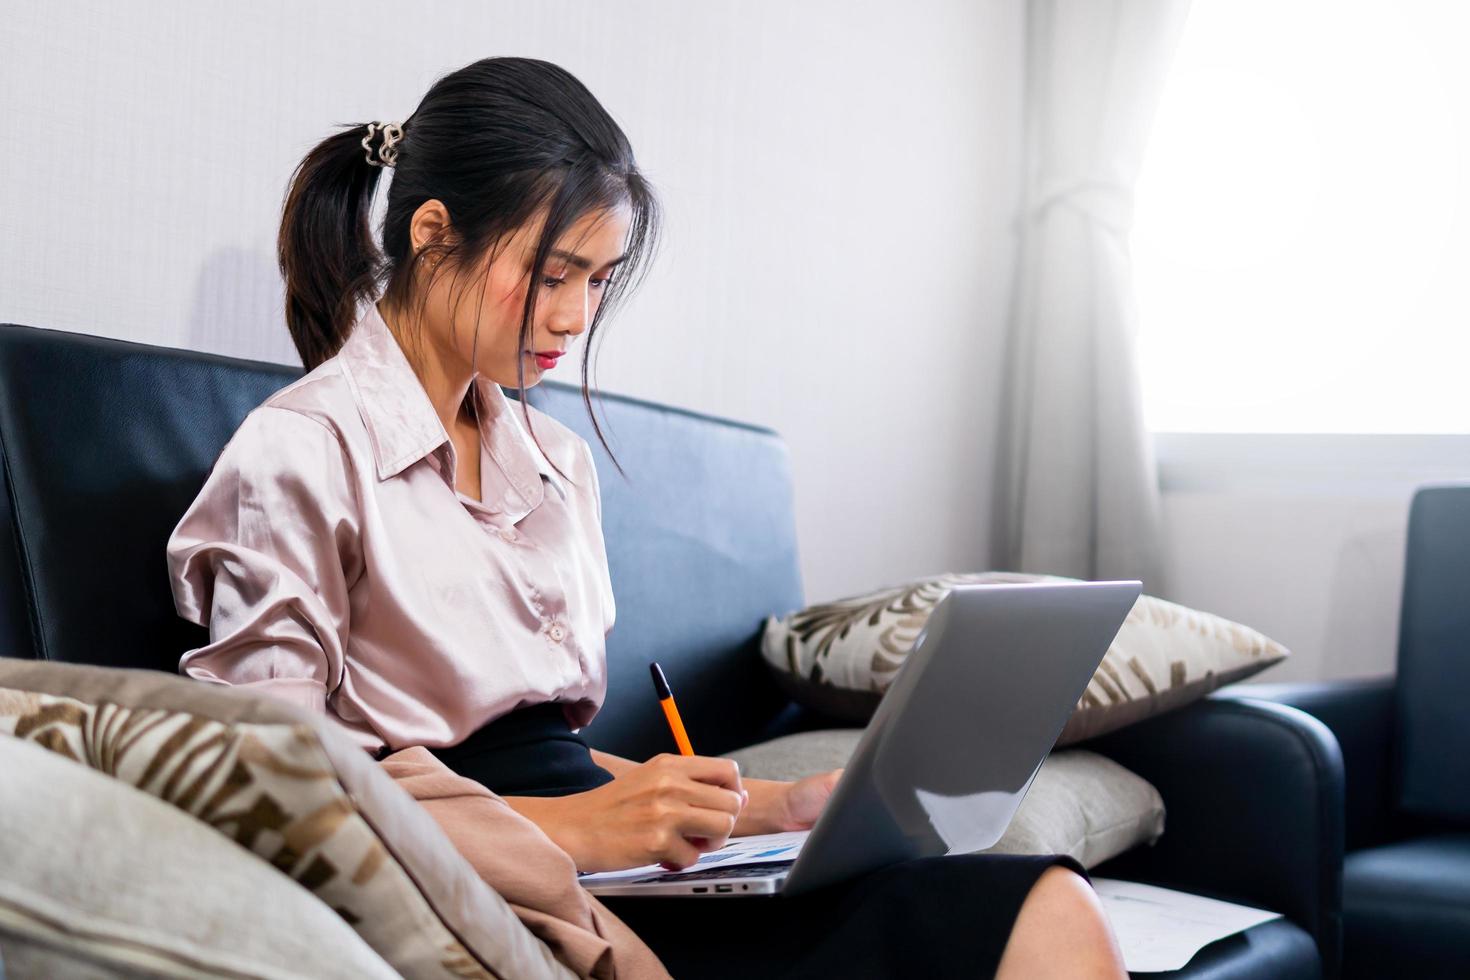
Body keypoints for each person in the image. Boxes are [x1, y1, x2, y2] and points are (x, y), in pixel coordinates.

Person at [166, 55, 1127, 979]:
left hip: (615, 862)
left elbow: (552, 757)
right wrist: (582, 828)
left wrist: (769, 809)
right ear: (431, 234)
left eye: (598, 279)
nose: (576, 316)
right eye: (553, 274)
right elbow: (271, 793)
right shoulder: (300, 451)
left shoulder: (556, 465)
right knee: (1021, 916)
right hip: (485, 883)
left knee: (1042, 899)